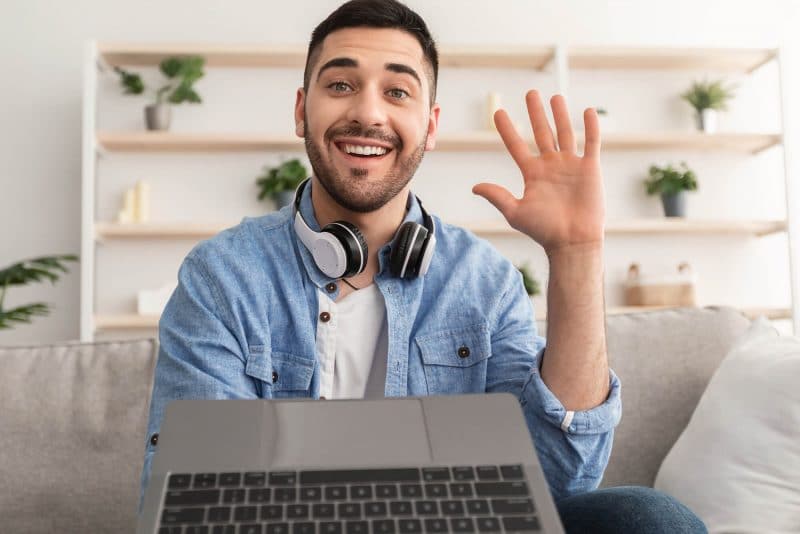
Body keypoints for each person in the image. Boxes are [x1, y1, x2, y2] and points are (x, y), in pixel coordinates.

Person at [140, 1, 706, 531]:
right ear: (300, 111)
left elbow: (560, 477)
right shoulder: (222, 277)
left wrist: (577, 255)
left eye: (397, 91)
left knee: (648, 516)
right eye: (340, 85)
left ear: (431, 126)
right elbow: (190, 498)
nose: (367, 112)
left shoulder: (483, 281)